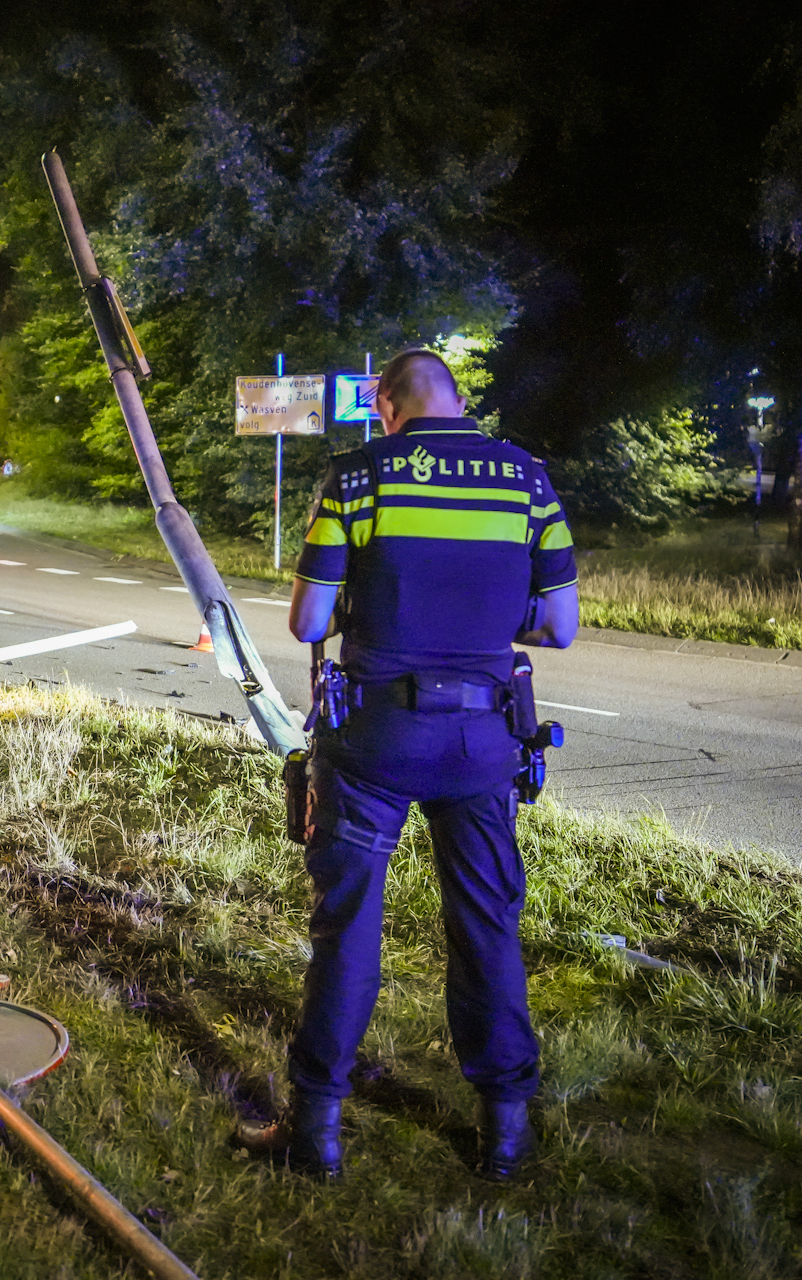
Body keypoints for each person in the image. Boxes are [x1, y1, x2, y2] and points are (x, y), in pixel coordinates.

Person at [234, 347, 579, 1182]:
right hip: (482, 743)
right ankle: (504, 1133)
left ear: (387, 405)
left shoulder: (359, 477)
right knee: (487, 923)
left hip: (374, 744)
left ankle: (315, 1130)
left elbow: (308, 620)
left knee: (346, 927)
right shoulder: (527, 480)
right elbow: (559, 627)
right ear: (456, 400)